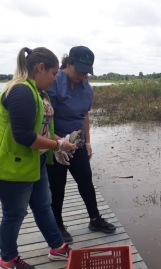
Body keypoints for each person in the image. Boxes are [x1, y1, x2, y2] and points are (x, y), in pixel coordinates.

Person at [0, 47, 76, 269]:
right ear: (40, 68)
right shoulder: (21, 91)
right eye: (53, 74)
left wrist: (59, 140)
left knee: (43, 205)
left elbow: (41, 129)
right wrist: (58, 146)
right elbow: (23, 135)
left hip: (33, 162)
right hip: (9, 167)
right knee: (14, 214)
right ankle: (8, 260)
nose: (55, 79)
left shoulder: (40, 92)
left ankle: (57, 247)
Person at [46, 46, 116, 244]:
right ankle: (58, 225)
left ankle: (95, 220)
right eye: (79, 70)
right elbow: (46, 118)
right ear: (68, 64)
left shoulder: (87, 88)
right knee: (57, 186)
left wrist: (87, 142)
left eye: (87, 71)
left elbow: (84, 115)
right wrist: (59, 142)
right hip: (55, 143)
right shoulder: (54, 82)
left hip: (77, 142)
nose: (82, 75)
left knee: (85, 179)